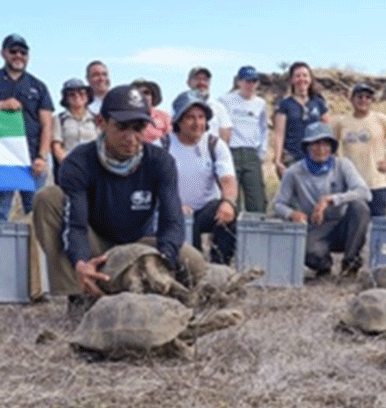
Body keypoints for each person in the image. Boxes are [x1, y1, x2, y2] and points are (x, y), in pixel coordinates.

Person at [32, 84, 184, 306]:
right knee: (48, 198)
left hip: (140, 244)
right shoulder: (78, 162)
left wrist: (164, 258)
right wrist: (82, 261)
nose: (131, 137)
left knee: (193, 260)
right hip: (96, 244)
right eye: (122, 127)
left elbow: (173, 220)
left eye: (139, 127)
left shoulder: (161, 161)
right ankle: (81, 294)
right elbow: (75, 225)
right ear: (101, 123)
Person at [0, 34, 54, 221]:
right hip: (0, 159)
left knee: (37, 214)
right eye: (13, 51)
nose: (18, 56)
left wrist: (42, 157)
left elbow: (47, 125)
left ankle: (35, 252)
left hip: (32, 161)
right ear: (3, 53)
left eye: (23, 52)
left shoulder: (39, 86)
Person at [272, 122, 369, 278]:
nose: (321, 149)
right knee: (308, 251)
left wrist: (332, 199)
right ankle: (324, 266)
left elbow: (364, 192)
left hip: (342, 223)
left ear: (332, 147)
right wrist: (292, 214)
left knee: (360, 207)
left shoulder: (342, 165)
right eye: (315, 144)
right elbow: (278, 204)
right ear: (307, 147)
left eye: (325, 144)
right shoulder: (294, 172)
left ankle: (350, 263)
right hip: (315, 226)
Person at [165, 91, 238, 265]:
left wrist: (228, 202)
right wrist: (173, 206)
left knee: (229, 212)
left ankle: (220, 265)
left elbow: (228, 179)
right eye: (190, 117)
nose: (197, 123)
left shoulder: (215, 145)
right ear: (178, 120)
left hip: (205, 210)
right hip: (171, 211)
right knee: (189, 261)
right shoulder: (162, 145)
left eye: (201, 117)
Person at [333, 83, 386, 218]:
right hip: (352, 186)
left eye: (368, 97)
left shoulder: (380, 119)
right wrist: (338, 163)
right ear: (352, 99)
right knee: (353, 227)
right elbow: (332, 144)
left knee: (377, 228)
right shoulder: (341, 122)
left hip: (376, 184)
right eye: (359, 96)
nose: (363, 100)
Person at [217, 66, 268, 214]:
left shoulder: (260, 103)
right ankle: (231, 233)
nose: (250, 85)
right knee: (231, 198)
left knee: (257, 198)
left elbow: (263, 128)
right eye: (247, 81)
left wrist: (262, 151)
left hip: (251, 152)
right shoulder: (225, 100)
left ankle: (257, 232)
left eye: (253, 81)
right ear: (239, 82)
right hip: (231, 151)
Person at [271, 62, 330, 177]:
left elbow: (327, 131)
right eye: (297, 76)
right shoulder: (284, 104)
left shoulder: (319, 103)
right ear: (292, 80)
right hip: (292, 158)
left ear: (310, 79)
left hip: (316, 157)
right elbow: (279, 134)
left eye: (305, 75)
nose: (301, 79)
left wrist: (329, 155)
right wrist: (278, 160)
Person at [51, 78, 99, 183]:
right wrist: (68, 166)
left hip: (93, 169)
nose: (77, 96)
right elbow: (56, 146)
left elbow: (102, 143)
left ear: (87, 96)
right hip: (68, 170)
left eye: (81, 93)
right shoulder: (59, 119)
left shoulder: (96, 119)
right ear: (66, 98)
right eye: (72, 94)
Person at [175, 67, 232, 143]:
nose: (201, 82)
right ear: (188, 83)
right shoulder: (180, 105)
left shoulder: (219, 107)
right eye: (197, 79)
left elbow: (225, 133)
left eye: (205, 80)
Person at [133, 78, 171, 143]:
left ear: (152, 97)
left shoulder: (164, 116)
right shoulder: (127, 117)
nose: (143, 96)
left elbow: (171, 138)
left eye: (146, 93)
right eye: (138, 93)